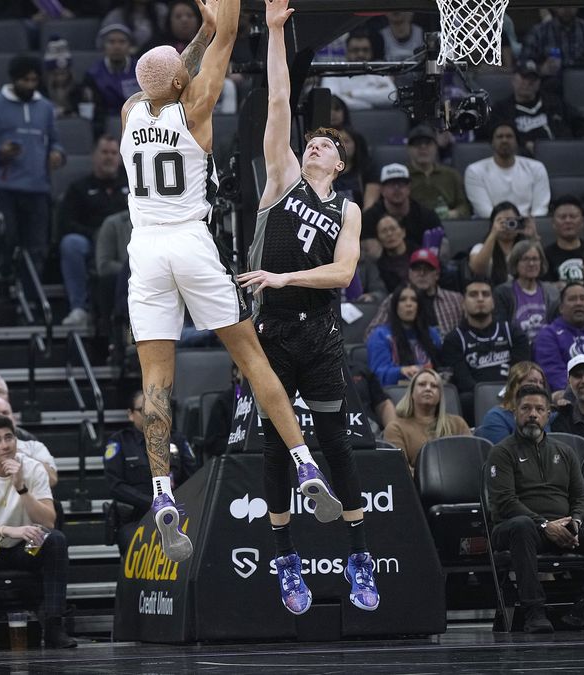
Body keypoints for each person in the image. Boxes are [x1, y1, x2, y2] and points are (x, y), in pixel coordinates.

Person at [120, 0, 333, 564]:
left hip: (145, 249)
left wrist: (202, 34)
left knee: (158, 382)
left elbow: (172, 69)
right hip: (191, 242)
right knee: (252, 359)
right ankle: (304, 461)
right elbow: (228, 35)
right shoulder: (194, 110)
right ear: (181, 78)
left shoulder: (129, 112)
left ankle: (163, 494)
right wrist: (222, 17)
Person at [235, 0, 379, 615]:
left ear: (339, 163)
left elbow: (344, 273)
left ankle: (359, 558)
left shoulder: (347, 209)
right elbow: (277, 101)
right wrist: (272, 32)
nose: (315, 142)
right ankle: (287, 559)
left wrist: (282, 273)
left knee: (335, 444)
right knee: (274, 446)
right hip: (272, 330)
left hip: (320, 332)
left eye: (326, 143)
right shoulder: (281, 179)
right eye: (311, 139)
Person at [486, 382, 584, 634]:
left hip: (564, 529)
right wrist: (544, 525)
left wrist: (575, 522)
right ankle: (534, 611)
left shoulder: (565, 451)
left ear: (547, 414)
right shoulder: (501, 452)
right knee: (521, 526)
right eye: (526, 408)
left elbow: (581, 497)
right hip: (520, 530)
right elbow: (505, 502)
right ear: (515, 414)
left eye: (539, 409)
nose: (532, 414)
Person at [0, 415, 75, 649]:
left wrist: (21, 487)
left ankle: (53, 626)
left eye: (9, 437)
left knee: (56, 541)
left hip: (25, 549)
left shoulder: (33, 469)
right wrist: (10, 530)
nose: (5, 445)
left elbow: (49, 521)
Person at [0, 54, 64, 285]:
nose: (30, 85)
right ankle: (3, 279)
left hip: (37, 186)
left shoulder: (44, 107)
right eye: (25, 80)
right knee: (7, 235)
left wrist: (57, 154)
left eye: (34, 80)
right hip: (3, 185)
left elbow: (55, 140)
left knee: (38, 246)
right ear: (14, 80)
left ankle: (32, 296)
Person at [103, 390, 198, 554]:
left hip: (176, 515)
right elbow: (115, 486)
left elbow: (193, 478)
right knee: (138, 543)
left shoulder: (177, 439)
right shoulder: (119, 442)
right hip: (136, 518)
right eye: (144, 410)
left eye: (155, 410)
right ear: (131, 414)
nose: (150, 415)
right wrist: (152, 504)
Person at [57, 135, 129, 328]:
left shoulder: (131, 186)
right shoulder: (79, 188)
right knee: (71, 243)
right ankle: (79, 308)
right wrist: (95, 234)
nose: (109, 157)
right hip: (91, 240)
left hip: (126, 243)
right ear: (94, 156)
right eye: (104, 152)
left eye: (114, 153)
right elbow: (65, 223)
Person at [444, 279, 531, 421]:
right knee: (465, 399)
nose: (480, 299)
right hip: (475, 398)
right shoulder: (454, 339)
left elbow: (521, 371)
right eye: (473, 294)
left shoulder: (513, 332)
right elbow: (463, 380)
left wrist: (506, 394)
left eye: (485, 294)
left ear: (493, 302)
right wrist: (488, 396)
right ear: (463, 303)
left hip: (512, 393)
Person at [382, 368, 470, 474]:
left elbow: (470, 461)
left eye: (434, 386)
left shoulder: (458, 423)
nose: (428, 388)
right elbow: (400, 471)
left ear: (440, 395)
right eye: (422, 384)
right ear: (411, 393)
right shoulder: (396, 428)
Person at [366, 248, 465, 334]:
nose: (422, 274)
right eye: (417, 269)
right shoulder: (395, 299)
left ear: (437, 274)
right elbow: (371, 333)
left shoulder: (456, 300)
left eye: (427, 269)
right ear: (409, 274)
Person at [464, 123, 551, 219]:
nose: (504, 140)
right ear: (492, 142)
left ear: (517, 141)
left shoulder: (536, 168)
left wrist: (527, 225)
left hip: (528, 226)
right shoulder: (475, 171)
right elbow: (484, 210)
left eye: (509, 136)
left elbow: (541, 208)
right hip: (491, 226)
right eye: (499, 136)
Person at [534, 282, 584, 394]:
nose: (578, 303)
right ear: (561, 308)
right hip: (567, 399)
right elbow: (554, 374)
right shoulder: (548, 336)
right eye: (572, 299)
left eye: (583, 298)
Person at [487, 61, 572, 154]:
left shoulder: (554, 103)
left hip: (555, 154)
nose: (528, 82)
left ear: (539, 82)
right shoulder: (500, 110)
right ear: (513, 80)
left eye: (533, 78)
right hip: (518, 158)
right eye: (523, 77)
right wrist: (524, 145)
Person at [360, 163, 443, 256]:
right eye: (391, 184)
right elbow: (371, 255)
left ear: (409, 188)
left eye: (401, 184)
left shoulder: (427, 215)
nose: (397, 189)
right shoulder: (369, 218)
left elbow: (443, 249)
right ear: (382, 190)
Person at [367, 284, 441, 386]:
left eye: (414, 300)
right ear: (395, 305)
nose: (409, 304)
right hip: (396, 393)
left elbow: (440, 368)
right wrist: (401, 371)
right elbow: (378, 375)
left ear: (419, 306)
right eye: (402, 300)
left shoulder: (432, 334)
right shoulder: (380, 335)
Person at [475, 362, 552, 444]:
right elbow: (502, 454)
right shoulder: (495, 417)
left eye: (541, 382)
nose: (538, 386)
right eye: (532, 381)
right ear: (515, 385)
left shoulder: (544, 414)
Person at [320, 29, 396, 111]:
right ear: (347, 52)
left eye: (365, 50)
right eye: (355, 50)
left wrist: (352, 94)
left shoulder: (378, 69)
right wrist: (368, 105)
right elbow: (332, 101)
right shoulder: (333, 72)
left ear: (371, 52)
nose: (361, 54)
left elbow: (392, 96)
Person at [406, 124, 470, 219]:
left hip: (448, 224)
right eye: (417, 143)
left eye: (428, 143)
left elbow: (464, 207)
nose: (423, 147)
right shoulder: (402, 176)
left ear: (436, 147)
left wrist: (453, 214)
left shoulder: (451, 175)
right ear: (408, 149)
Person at [519, 7, 584, 72]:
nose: (567, 9)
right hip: (549, 86)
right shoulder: (538, 32)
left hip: (583, 84)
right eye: (562, 4)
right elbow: (523, 65)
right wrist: (541, 69)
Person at [468, 201, 539, 285]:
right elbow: (478, 270)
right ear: (492, 224)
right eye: (501, 222)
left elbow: (541, 268)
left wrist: (533, 238)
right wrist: (493, 234)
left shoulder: (526, 248)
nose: (506, 225)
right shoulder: (479, 248)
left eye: (511, 221)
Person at [82, 24, 139, 125]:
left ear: (130, 46)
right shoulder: (93, 75)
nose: (117, 47)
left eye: (122, 42)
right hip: (107, 124)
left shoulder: (142, 71)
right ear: (104, 46)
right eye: (111, 42)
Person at [542, 195, 584, 283]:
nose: (568, 221)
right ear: (553, 223)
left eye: (573, 216)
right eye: (562, 217)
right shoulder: (544, 256)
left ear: (582, 222)